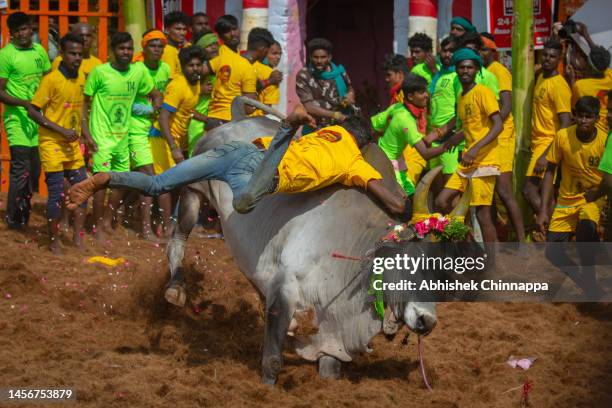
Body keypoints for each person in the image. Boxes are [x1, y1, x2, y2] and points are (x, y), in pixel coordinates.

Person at [67, 106, 411, 220]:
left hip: (239, 152)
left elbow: (314, 107)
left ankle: (104, 178)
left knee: (158, 185)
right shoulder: (355, 160)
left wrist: (334, 112)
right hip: (262, 172)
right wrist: (412, 209)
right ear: (365, 142)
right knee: (245, 203)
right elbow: (393, 201)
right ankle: (286, 128)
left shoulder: (330, 129)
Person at [82, 32, 162, 241]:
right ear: (112, 51)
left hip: (122, 137)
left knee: (120, 182)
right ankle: (97, 227)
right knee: (101, 183)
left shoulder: (137, 73)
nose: (126, 52)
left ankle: (107, 220)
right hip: (101, 138)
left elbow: (155, 94)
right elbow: (84, 104)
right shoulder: (99, 72)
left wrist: (152, 108)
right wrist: (87, 134)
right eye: (121, 49)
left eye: (129, 48)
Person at [536, 97, 607, 297]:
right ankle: (587, 283)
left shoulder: (605, 141)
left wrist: (600, 195)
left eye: (588, 117)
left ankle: (591, 281)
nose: (584, 120)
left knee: (585, 231)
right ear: (574, 116)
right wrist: (543, 210)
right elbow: (550, 171)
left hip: (594, 197)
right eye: (580, 116)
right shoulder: (562, 136)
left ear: (596, 118)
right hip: (566, 199)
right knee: (552, 253)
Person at [435, 48, 503, 243]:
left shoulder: (483, 92)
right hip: (468, 162)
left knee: (483, 216)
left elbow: (498, 125)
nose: (465, 71)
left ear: (476, 70)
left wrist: (474, 149)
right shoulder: (462, 96)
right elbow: (470, 127)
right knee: (442, 201)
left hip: (485, 161)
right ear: (456, 69)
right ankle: (471, 246)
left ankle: (491, 263)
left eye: (469, 67)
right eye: (461, 67)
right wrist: (452, 140)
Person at [26, 33, 87, 253]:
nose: (77, 58)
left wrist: (87, 135)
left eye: (80, 54)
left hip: (72, 145)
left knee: (82, 190)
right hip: (52, 143)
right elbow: (32, 110)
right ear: (62, 54)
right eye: (72, 53)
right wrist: (60, 130)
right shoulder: (51, 80)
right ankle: (54, 240)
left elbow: (80, 109)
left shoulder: (80, 77)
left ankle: (78, 238)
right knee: (57, 192)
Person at [0, 12, 51, 229]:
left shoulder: (40, 50)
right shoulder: (6, 55)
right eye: (18, 31)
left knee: (35, 172)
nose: (23, 34)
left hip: (37, 121)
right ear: (11, 34)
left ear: (32, 29)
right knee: (21, 170)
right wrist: (25, 103)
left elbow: (49, 80)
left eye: (26, 29)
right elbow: (0, 91)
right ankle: (13, 220)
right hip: (17, 120)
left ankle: (23, 215)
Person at [372, 74, 462, 196]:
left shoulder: (397, 107)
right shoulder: (406, 120)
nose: (426, 95)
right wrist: (450, 143)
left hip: (383, 159)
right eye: (421, 92)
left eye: (426, 91)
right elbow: (425, 154)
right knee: (406, 202)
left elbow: (375, 125)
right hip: (389, 166)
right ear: (410, 96)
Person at [149, 46, 206, 236]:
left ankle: (172, 222)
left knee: (181, 182)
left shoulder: (195, 84)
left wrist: (207, 120)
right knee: (166, 183)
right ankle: (166, 227)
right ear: (183, 66)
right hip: (162, 139)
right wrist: (173, 147)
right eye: (191, 65)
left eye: (198, 65)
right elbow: (164, 117)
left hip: (177, 140)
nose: (195, 69)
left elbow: (187, 111)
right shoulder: (178, 85)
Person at [480, 33, 525, 241]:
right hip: (489, 137)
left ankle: (522, 241)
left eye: (483, 48)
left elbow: (505, 107)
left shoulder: (499, 71)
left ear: (493, 51)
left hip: (502, 136)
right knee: (488, 194)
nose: (480, 52)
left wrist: (490, 128)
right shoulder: (481, 72)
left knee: (504, 191)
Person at [129, 29, 171, 240]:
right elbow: (126, 102)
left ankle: (164, 226)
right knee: (148, 178)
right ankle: (145, 229)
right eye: (153, 45)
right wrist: (149, 110)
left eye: (161, 46)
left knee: (163, 178)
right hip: (136, 129)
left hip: (158, 132)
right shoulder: (136, 69)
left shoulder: (165, 69)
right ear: (143, 48)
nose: (157, 49)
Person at [522, 39, 572, 219]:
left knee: (528, 190)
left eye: (552, 57)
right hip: (537, 144)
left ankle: (553, 227)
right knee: (546, 198)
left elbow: (566, 122)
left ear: (559, 60)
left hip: (548, 144)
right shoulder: (541, 77)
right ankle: (553, 238)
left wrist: (547, 154)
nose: (547, 59)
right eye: (545, 55)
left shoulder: (559, 86)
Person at [204, 15, 257, 129]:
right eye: (227, 31)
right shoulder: (243, 64)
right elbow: (249, 108)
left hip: (212, 120)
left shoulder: (218, 55)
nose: (233, 34)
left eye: (234, 29)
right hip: (232, 123)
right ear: (220, 36)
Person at [295, 38, 358, 132]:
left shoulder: (339, 72)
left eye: (323, 57)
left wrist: (350, 95)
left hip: (342, 125)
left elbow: (350, 87)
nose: (319, 61)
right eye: (315, 57)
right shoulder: (304, 75)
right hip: (317, 127)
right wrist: (334, 115)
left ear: (329, 57)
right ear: (310, 57)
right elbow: (309, 106)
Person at [424, 35, 461, 191]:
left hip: (449, 139)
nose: (447, 54)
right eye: (444, 51)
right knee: (436, 188)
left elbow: (460, 112)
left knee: (450, 191)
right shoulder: (439, 76)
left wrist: (441, 133)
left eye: (451, 51)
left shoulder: (459, 76)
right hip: (435, 138)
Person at [188, 33, 219, 156]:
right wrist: (199, 89)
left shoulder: (219, 68)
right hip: (197, 122)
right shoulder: (195, 71)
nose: (214, 48)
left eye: (216, 44)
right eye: (209, 45)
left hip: (215, 121)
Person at [571, 46, 612, 134]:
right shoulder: (610, 75)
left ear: (589, 66)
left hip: (595, 133)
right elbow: (601, 59)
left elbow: (574, 109)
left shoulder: (580, 85)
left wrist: (571, 81)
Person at [241, 28, 282, 116]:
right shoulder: (272, 75)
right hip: (253, 122)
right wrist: (270, 81)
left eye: (280, 54)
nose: (278, 57)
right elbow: (265, 110)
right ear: (264, 49)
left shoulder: (237, 60)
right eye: (274, 53)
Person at [162, 11, 191, 78]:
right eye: (178, 29)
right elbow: (170, 79)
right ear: (167, 30)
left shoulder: (178, 48)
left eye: (184, 29)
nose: (182, 33)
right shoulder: (169, 50)